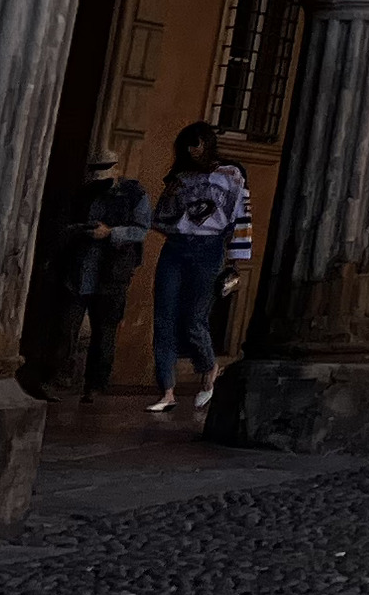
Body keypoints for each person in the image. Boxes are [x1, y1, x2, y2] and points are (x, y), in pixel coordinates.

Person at [145, 122, 244, 416]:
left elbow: (241, 217)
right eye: (188, 145)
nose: (192, 150)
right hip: (176, 246)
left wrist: (235, 260)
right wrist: (175, 219)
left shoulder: (231, 175)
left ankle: (208, 367)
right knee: (164, 315)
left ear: (208, 143)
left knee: (194, 317)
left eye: (197, 143)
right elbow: (160, 215)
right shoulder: (179, 177)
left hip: (210, 247)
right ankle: (167, 390)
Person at [56, 152, 149, 400]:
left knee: (104, 334)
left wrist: (111, 233)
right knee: (65, 329)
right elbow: (67, 225)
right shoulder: (85, 193)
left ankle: (95, 385)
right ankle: (59, 378)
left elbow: (140, 231)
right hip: (80, 269)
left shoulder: (134, 195)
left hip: (112, 274)